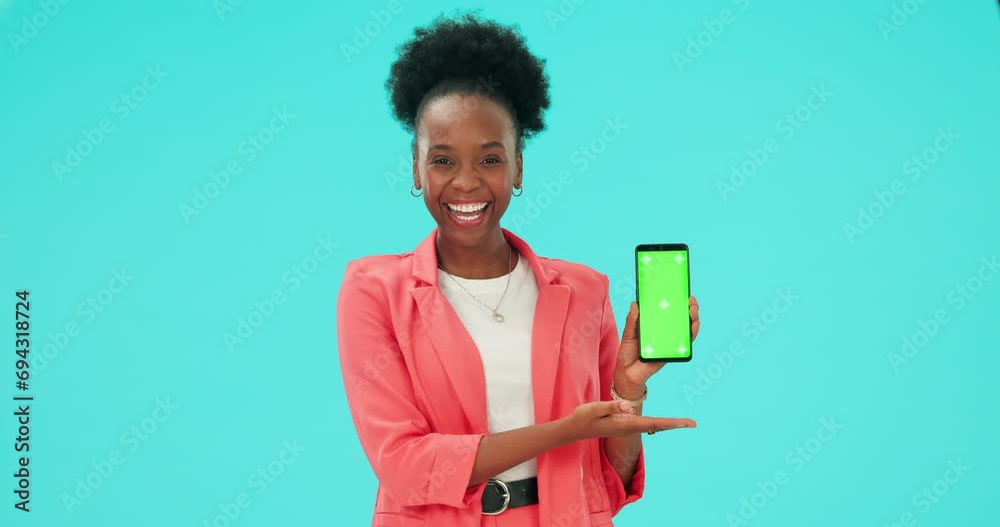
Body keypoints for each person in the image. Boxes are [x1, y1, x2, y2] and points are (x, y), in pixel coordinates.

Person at [336, 13, 700, 527]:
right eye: (442, 160)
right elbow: (404, 467)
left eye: (489, 160)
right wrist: (563, 431)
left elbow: (610, 479)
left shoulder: (584, 291)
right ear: (415, 168)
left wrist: (628, 388)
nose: (466, 182)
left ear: (519, 167)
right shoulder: (374, 290)